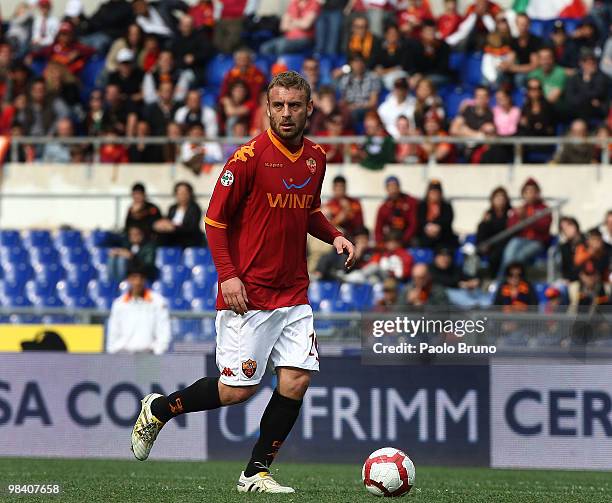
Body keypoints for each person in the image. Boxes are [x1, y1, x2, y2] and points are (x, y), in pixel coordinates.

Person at [130, 71, 354, 493]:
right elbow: (214, 222)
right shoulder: (247, 159)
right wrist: (229, 276)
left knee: (297, 379)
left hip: (293, 292)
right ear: (267, 108)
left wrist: (335, 234)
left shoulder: (316, 158)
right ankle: (159, 409)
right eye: (278, 105)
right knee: (237, 391)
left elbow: (308, 211)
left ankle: (256, 471)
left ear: (309, 109)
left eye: (294, 105)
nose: (286, 113)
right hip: (247, 295)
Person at [106, 261, 170, 354]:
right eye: (134, 277)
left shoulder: (158, 302)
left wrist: (157, 352)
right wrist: (114, 352)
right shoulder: (119, 304)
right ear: (128, 279)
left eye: (141, 278)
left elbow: (164, 333)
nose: (138, 282)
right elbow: (113, 333)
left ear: (145, 280)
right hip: (124, 357)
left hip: (149, 358)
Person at [497, 177, 551, 278]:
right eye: (527, 191)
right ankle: (502, 282)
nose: (530, 194)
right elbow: (510, 228)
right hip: (520, 240)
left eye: (533, 191)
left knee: (518, 257)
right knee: (508, 254)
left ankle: (513, 282)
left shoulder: (544, 209)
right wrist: (518, 217)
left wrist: (526, 218)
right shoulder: (519, 209)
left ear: (537, 193)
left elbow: (544, 226)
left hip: (537, 242)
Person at [153, 181, 205, 248]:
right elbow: (168, 222)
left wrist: (174, 228)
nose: (182, 196)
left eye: (184, 193)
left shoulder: (194, 208)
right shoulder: (172, 208)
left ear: (189, 194)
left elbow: (192, 227)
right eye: (179, 193)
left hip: (188, 239)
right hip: (173, 238)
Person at [565, 49, 610, 123]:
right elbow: (570, 99)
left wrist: (586, 82)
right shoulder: (574, 78)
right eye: (586, 61)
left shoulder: (602, 77)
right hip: (577, 111)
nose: (591, 63)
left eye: (593, 61)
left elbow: (598, 93)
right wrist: (589, 100)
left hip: (597, 112)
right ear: (581, 63)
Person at [337, 54, 381, 127]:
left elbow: (373, 102)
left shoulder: (373, 77)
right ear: (351, 64)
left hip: (366, 108)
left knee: (354, 114)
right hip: (350, 108)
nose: (358, 64)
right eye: (355, 62)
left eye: (360, 61)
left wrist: (357, 106)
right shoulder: (346, 79)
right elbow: (343, 99)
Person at [476, 186, 511, 277]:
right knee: (474, 254)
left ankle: (496, 279)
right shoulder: (488, 214)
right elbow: (482, 231)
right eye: (497, 197)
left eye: (502, 197)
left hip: (503, 244)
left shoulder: (511, 214)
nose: (500, 200)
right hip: (489, 244)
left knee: (496, 255)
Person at [374, 175, 419, 247]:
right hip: (390, 241)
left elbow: (413, 224)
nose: (393, 189)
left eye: (395, 186)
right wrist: (381, 244)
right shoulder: (383, 207)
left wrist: (403, 241)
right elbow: (378, 230)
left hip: (407, 240)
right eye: (390, 187)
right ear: (386, 189)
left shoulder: (410, 202)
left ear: (399, 187)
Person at [416, 179, 457, 249]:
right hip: (425, 235)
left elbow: (448, 219)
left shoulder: (446, 206)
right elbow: (420, 219)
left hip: (443, 236)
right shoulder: (422, 205)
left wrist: (438, 227)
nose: (435, 195)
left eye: (437, 192)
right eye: (432, 192)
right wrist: (428, 227)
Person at [558, 216, 583, 283]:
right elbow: (565, 269)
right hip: (572, 280)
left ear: (575, 226)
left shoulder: (587, 242)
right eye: (563, 229)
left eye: (568, 226)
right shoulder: (564, 248)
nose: (566, 230)